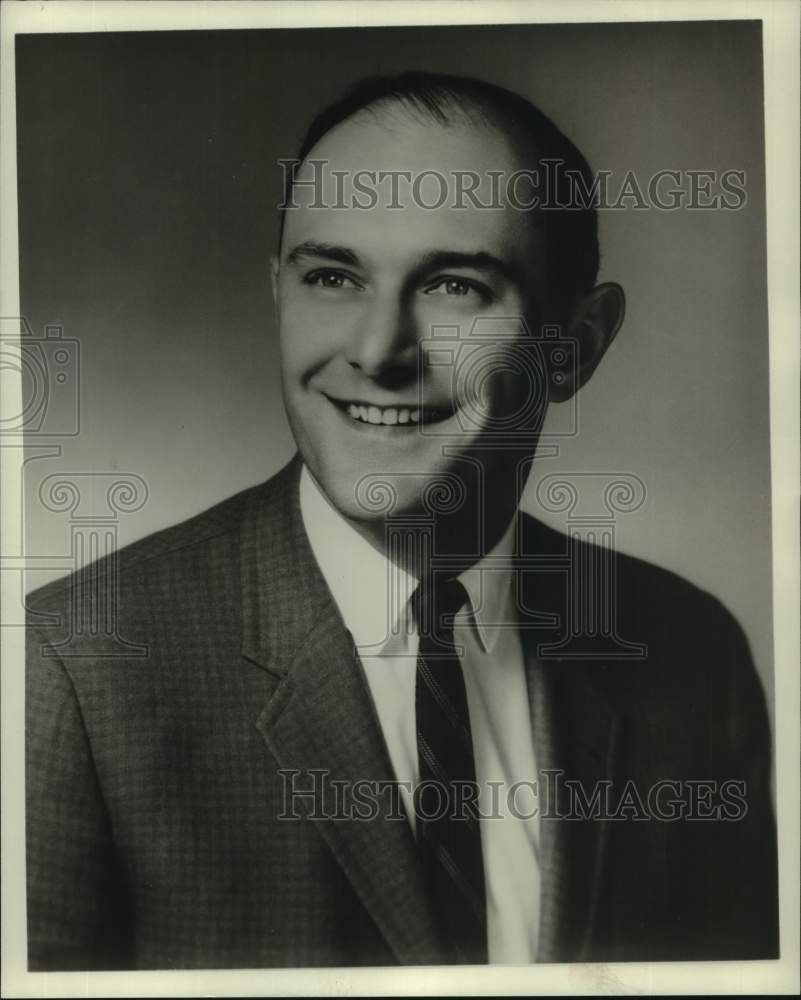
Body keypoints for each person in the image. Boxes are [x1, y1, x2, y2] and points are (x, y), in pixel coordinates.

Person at [25, 72, 778, 970]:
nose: (378, 351)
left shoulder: (688, 656)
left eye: (454, 286)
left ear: (574, 345)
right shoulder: (75, 668)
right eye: (332, 275)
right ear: (278, 292)